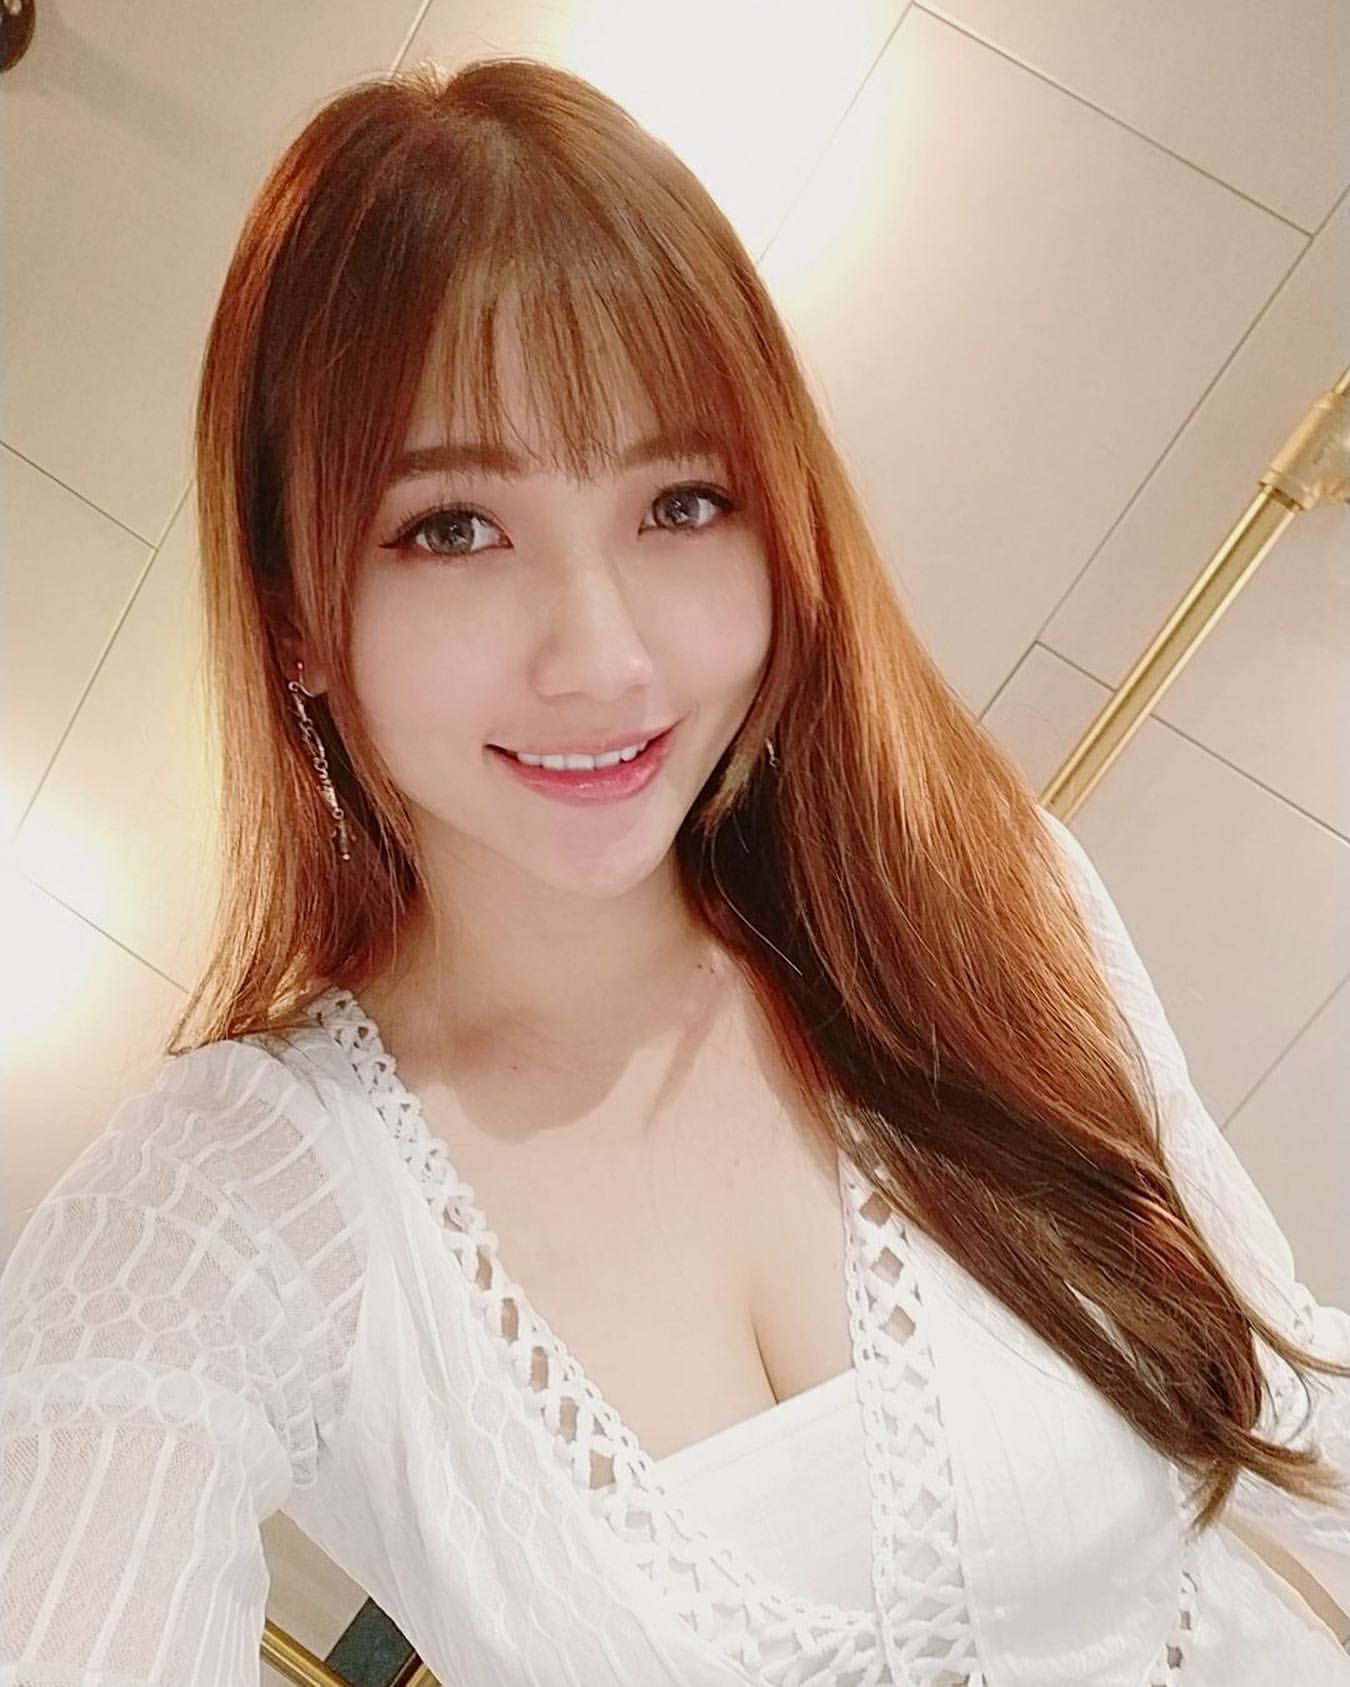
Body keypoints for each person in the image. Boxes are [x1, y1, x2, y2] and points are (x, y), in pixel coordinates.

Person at [2, 54, 1348, 1687]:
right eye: (451, 527)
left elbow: (1289, 1402)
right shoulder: (231, 1216)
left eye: (681, 501)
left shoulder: (969, 882)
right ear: (293, 613)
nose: (602, 657)